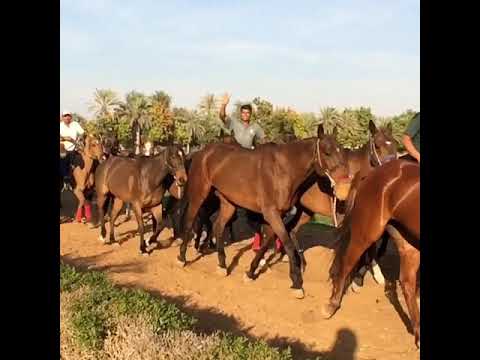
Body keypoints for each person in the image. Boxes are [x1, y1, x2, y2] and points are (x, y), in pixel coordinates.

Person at [60, 110, 85, 186]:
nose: (67, 117)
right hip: (63, 147)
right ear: (62, 117)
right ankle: (65, 178)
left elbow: (82, 133)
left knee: (84, 159)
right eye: (65, 116)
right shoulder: (60, 125)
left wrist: (80, 138)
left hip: (74, 147)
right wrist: (65, 138)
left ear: (71, 117)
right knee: (63, 158)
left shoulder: (75, 124)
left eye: (68, 116)